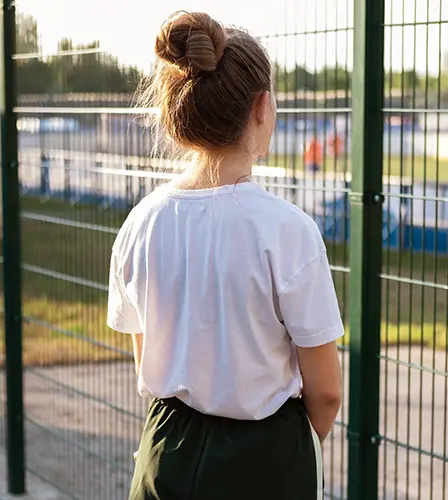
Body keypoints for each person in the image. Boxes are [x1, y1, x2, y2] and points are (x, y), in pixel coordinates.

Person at [107, 12, 343, 499]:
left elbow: (146, 366)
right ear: (261, 107)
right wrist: (298, 446)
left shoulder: (140, 223)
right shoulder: (287, 230)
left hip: (165, 451)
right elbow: (326, 390)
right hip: (266, 460)